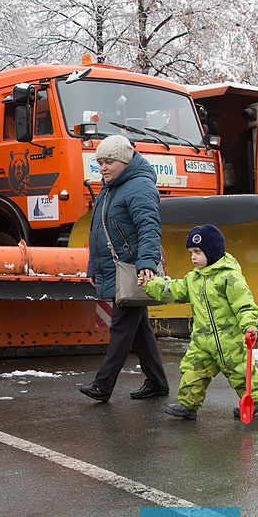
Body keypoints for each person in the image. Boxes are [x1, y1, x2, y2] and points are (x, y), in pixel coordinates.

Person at [142, 224, 258, 420]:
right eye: (191, 252)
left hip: (230, 340)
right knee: (193, 370)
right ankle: (187, 405)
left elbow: (244, 304)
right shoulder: (193, 279)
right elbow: (174, 290)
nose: (193, 257)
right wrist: (151, 284)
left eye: (198, 252)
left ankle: (256, 399)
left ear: (212, 251)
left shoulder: (230, 277)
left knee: (240, 372)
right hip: (202, 339)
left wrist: (249, 325)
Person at [80, 134, 170, 403]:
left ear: (124, 160)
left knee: (120, 327)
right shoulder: (110, 188)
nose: (103, 167)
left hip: (132, 270)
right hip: (117, 270)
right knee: (138, 329)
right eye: (100, 163)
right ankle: (157, 382)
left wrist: (147, 264)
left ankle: (103, 385)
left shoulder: (139, 187)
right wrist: (93, 268)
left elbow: (149, 229)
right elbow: (98, 233)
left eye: (109, 162)